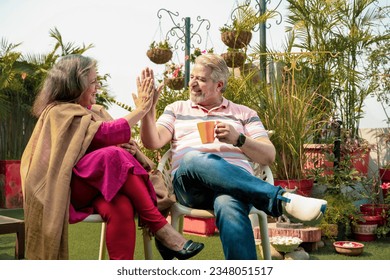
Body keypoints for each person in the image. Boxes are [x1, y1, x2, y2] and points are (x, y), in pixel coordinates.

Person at [140, 53, 327, 260]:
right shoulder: (176, 109)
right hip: (191, 185)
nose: (192, 83)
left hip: (235, 186)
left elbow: (269, 156)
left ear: (219, 85)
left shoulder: (244, 113)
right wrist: (148, 110)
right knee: (193, 158)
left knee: (228, 203)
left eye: (201, 79)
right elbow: (152, 142)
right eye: (192, 77)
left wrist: (238, 139)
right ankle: (279, 200)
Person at [20, 54, 204, 260]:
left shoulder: (96, 111)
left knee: (121, 205)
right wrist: (141, 109)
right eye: (92, 82)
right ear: (74, 85)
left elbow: (110, 138)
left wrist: (131, 148)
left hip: (98, 188)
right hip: (68, 191)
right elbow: (106, 134)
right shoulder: (57, 112)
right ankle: (161, 228)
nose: (97, 87)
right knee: (113, 155)